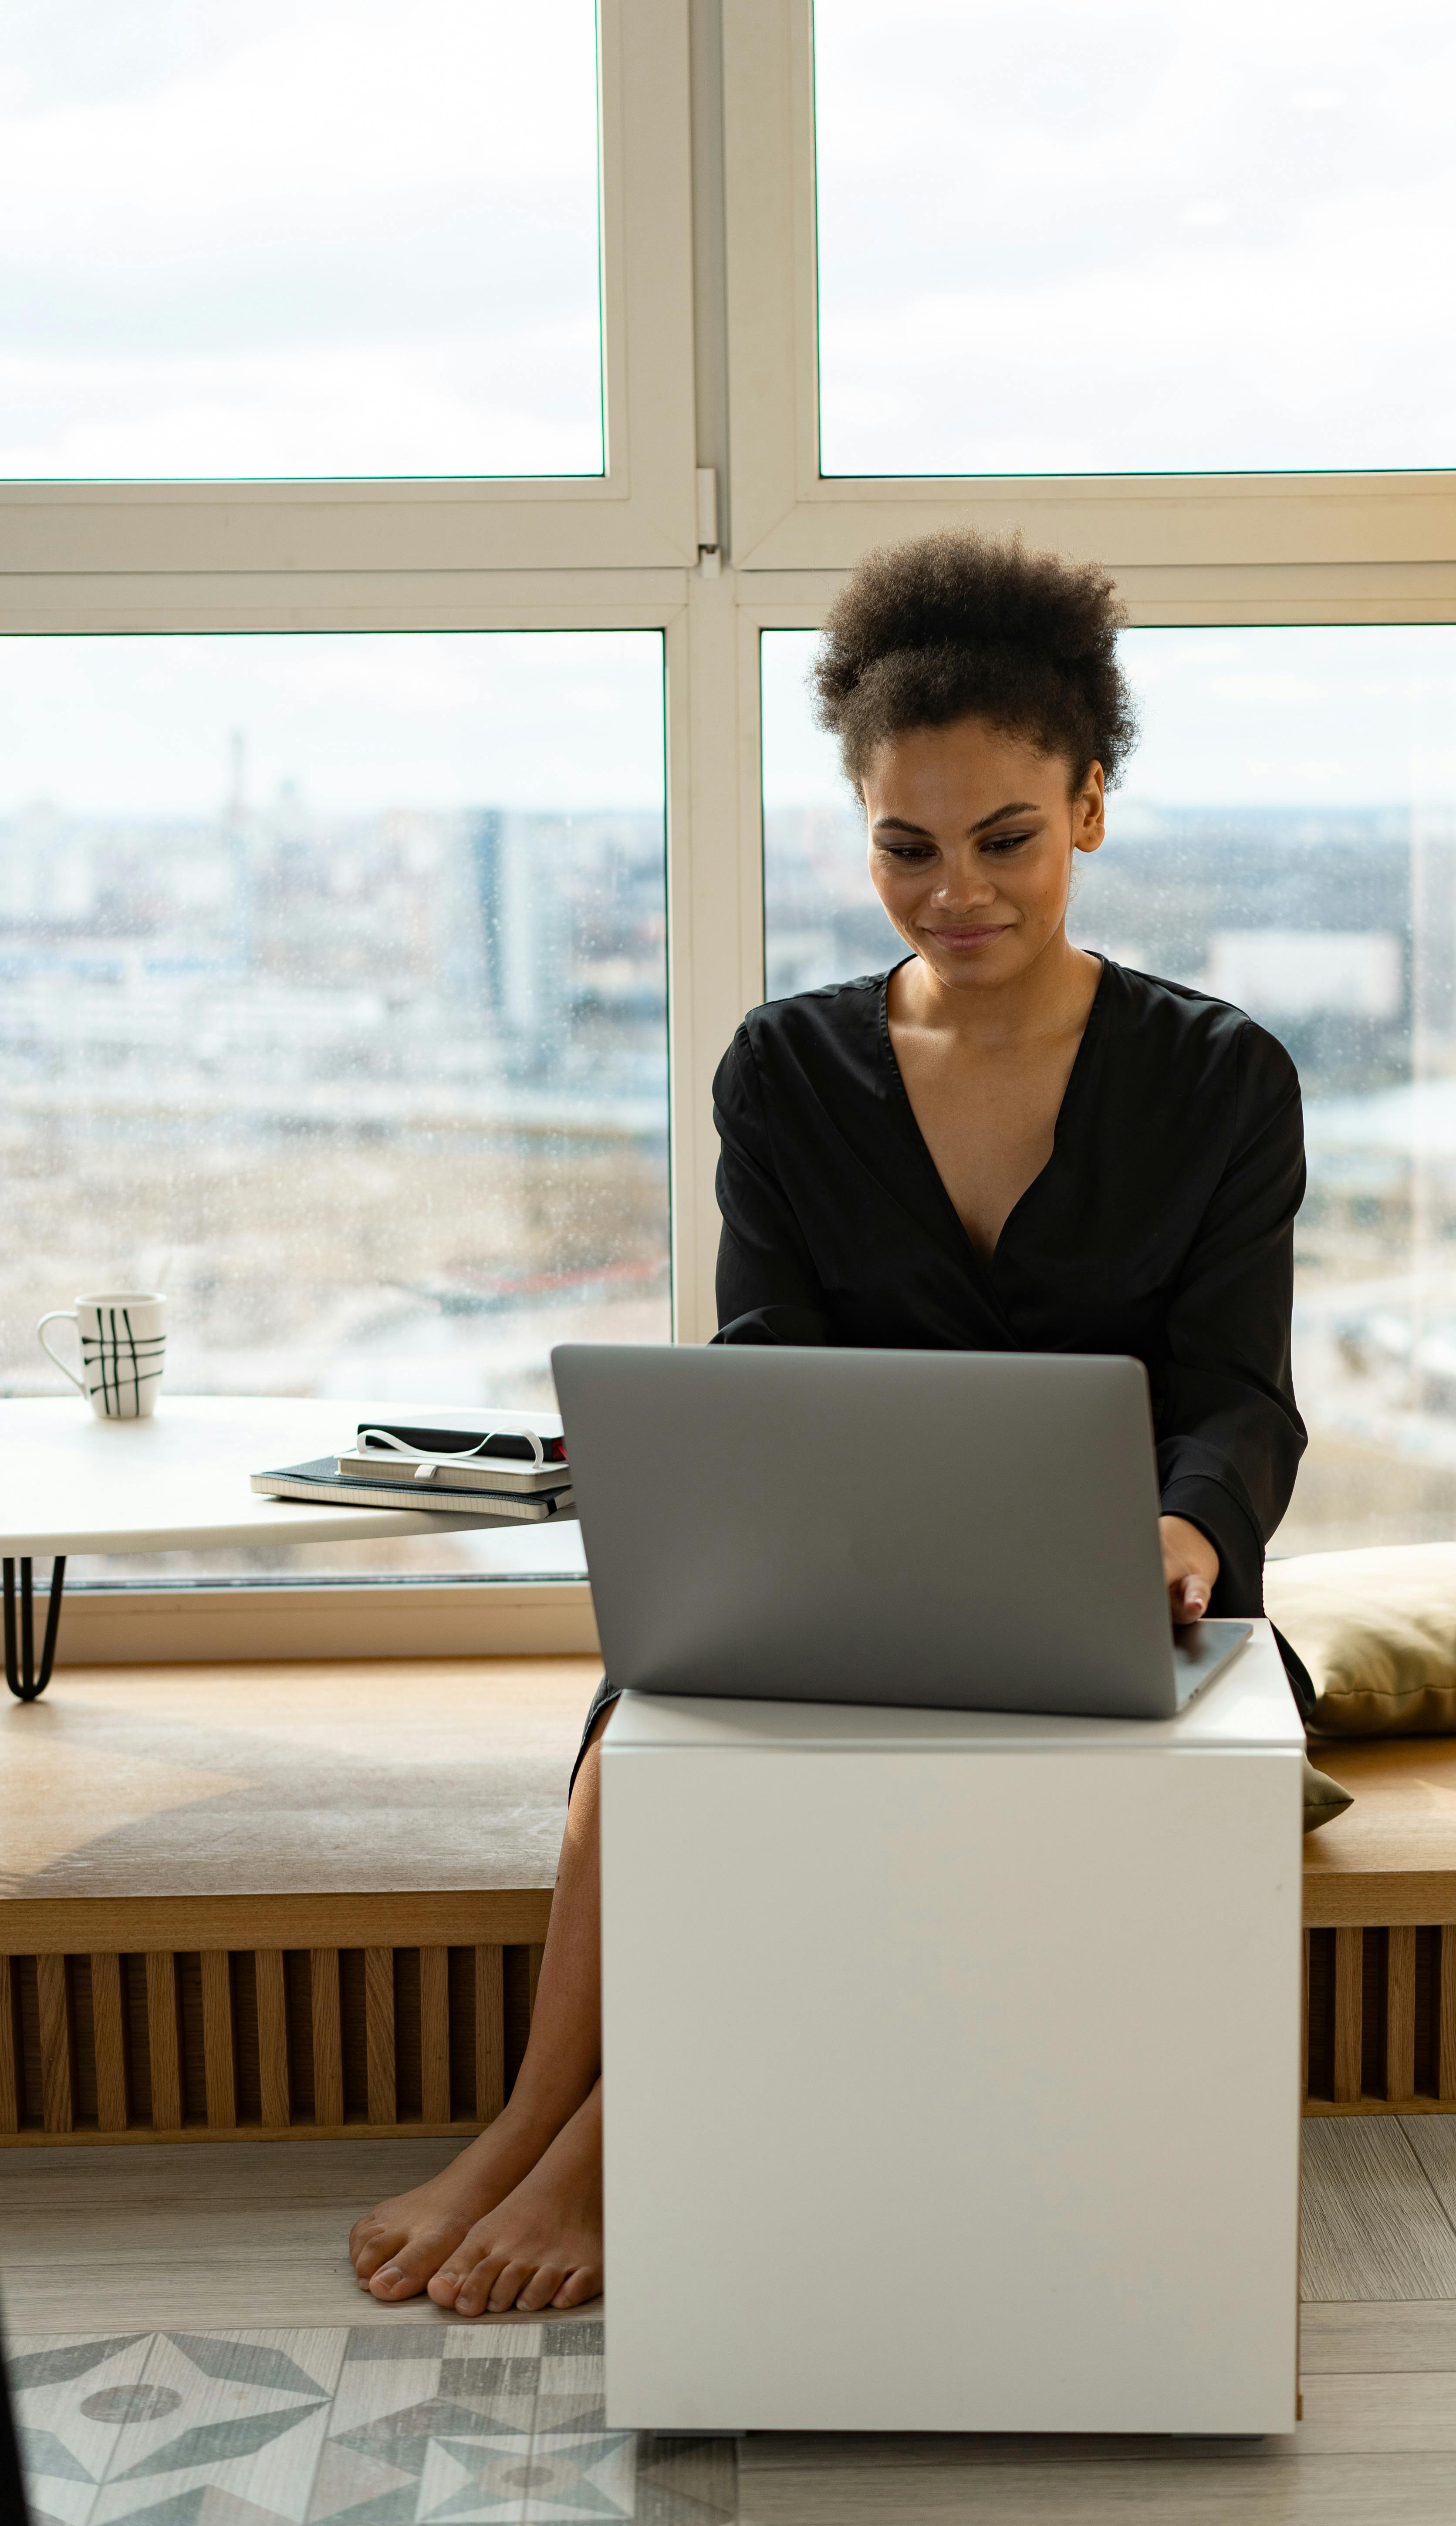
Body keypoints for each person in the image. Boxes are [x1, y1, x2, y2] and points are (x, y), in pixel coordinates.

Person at [348, 530, 1309, 2316]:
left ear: (1090, 808)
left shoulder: (1219, 1074)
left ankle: (605, 2153)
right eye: (907, 846)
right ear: (860, 829)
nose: (958, 889)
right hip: (846, 1581)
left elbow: (1241, 1394)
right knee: (630, 1770)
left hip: (1124, 1597)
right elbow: (760, 1357)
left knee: (875, 1789)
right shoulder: (784, 1069)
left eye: (1006, 837)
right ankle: (521, 2130)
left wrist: (1184, 1528)